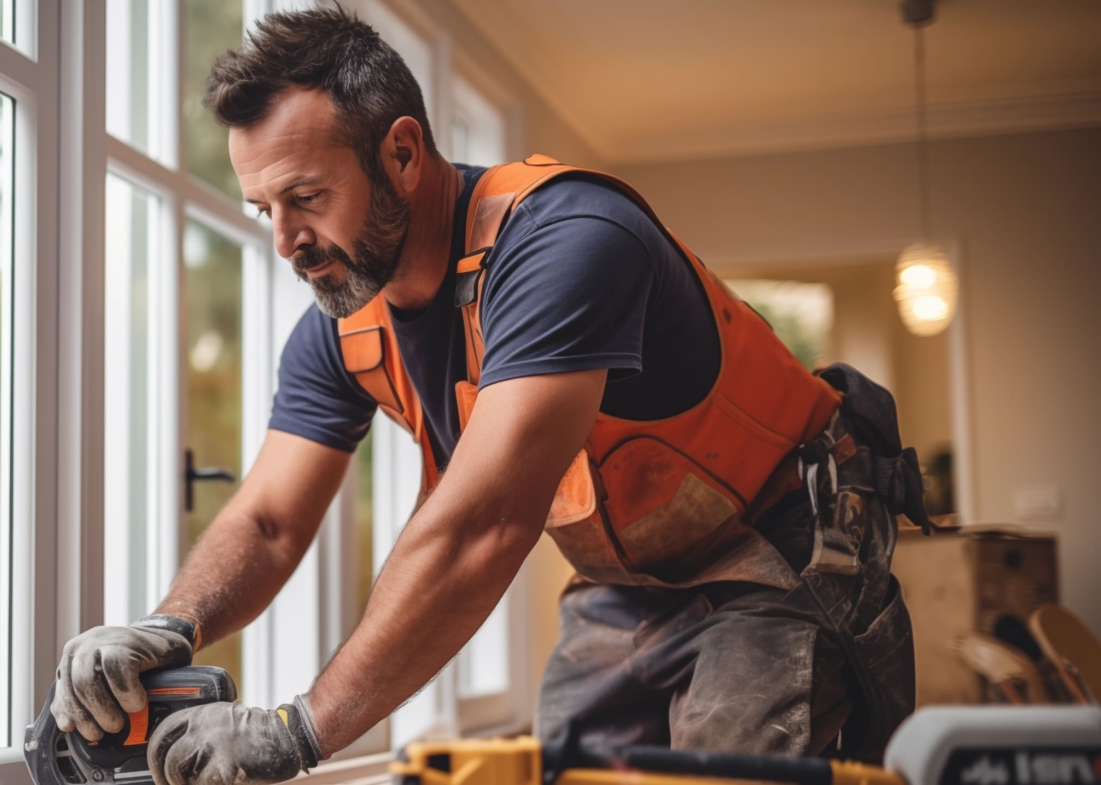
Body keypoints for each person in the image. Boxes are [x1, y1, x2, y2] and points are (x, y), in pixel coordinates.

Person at [51, 8, 932, 785]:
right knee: (573, 765)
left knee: (715, 773)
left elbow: (485, 523)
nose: (287, 242)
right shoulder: (344, 314)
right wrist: (169, 627)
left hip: (780, 541)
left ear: (401, 153)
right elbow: (272, 520)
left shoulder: (566, 241)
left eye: (307, 198)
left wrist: (298, 729)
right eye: (263, 210)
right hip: (626, 577)